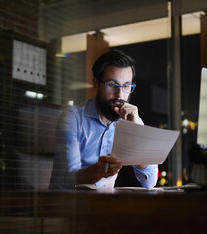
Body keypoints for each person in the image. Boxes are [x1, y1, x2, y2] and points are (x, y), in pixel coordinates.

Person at [49, 49, 158, 189]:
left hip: (103, 206)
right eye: (112, 85)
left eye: (126, 86)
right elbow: (68, 179)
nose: (120, 94)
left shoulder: (132, 120)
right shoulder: (73, 118)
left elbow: (150, 182)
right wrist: (99, 171)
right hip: (67, 206)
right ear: (96, 83)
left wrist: (136, 132)